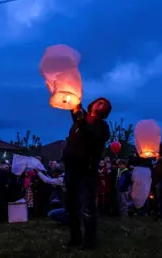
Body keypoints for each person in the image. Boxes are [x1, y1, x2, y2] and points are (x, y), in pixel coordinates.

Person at [62, 98, 111, 249]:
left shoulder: (102, 127)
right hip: (71, 168)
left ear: (105, 111)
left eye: (104, 104)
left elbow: (91, 138)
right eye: (99, 101)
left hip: (86, 170)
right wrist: (72, 104)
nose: (100, 103)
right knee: (71, 206)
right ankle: (75, 238)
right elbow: (76, 114)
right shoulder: (79, 120)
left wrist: (81, 119)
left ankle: (90, 242)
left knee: (87, 208)